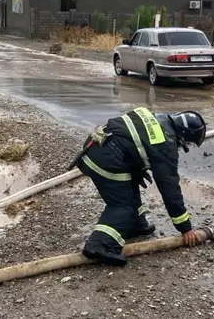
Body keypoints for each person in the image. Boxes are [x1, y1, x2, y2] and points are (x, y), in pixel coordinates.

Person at [76, 107, 207, 266]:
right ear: (183, 136)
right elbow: (170, 190)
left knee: (131, 185)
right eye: (186, 143)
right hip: (103, 161)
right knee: (123, 205)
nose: (183, 147)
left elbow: (130, 140)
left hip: (97, 147)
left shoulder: (154, 118)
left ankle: (136, 225)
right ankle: (100, 244)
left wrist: (137, 170)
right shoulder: (165, 144)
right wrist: (185, 228)